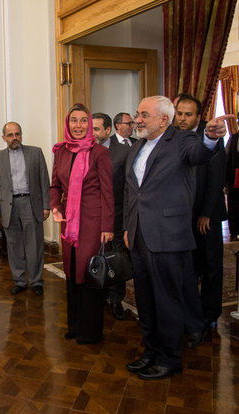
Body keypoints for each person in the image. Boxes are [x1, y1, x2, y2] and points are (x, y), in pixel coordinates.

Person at [123, 95, 230, 380]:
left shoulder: (182, 141)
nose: (138, 119)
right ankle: (151, 352)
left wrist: (210, 137)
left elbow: (201, 153)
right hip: (138, 235)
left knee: (168, 301)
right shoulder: (137, 147)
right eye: (137, 114)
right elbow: (131, 193)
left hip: (168, 237)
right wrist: (126, 227)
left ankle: (170, 358)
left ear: (164, 119)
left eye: (144, 114)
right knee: (145, 299)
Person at [50, 103, 114, 345]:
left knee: (89, 273)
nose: (78, 125)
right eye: (74, 120)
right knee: (71, 271)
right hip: (69, 223)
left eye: (83, 121)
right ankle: (74, 326)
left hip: (94, 222)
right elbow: (55, 185)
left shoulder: (100, 153)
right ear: (68, 124)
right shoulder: (61, 152)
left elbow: (108, 193)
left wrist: (107, 226)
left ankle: (91, 331)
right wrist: (55, 206)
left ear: (90, 125)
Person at [175, 94, 227, 335]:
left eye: (188, 115)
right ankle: (189, 311)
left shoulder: (211, 135)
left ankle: (210, 313)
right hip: (184, 214)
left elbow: (216, 178)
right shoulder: (174, 135)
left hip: (208, 214)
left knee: (211, 265)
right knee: (190, 264)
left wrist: (205, 214)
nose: (183, 118)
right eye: (180, 113)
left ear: (198, 116)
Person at [0, 121, 50, 296]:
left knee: (35, 245)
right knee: (14, 246)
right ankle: (20, 281)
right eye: (10, 135)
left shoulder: (35, 153)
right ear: (4, 138)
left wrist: (46, 205)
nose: (15, 138)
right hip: (9, 207)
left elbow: (44, 181)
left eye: (17, 134)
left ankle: (36, 280)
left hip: (31, 204)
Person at [92, 112, 130, 320]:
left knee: (116, 258)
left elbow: (128, 187)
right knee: (95, 255)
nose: (93, 134)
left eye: (97, 129)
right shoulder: (84, 150)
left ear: (109, 130)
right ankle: (98, 294)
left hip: (116, 215)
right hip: (92, 216)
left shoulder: (123, 152)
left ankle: (116, 300)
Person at [228, 130, 239, 240]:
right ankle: (235, 231)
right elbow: (227, 158)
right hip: (235, 176)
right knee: (235, 205)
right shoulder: (234, 137)